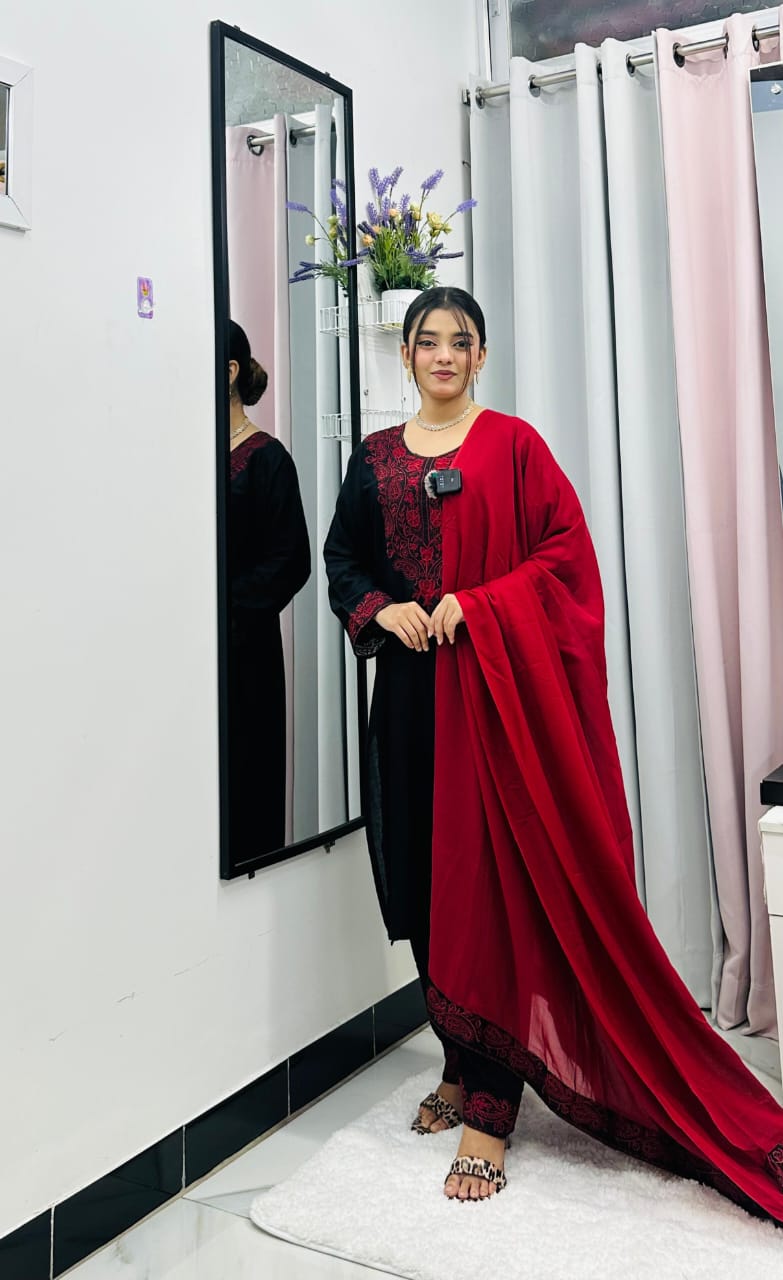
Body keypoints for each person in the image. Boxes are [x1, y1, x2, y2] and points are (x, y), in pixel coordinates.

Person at [324, 286, 783, 1217]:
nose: (443, 355)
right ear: (405, 356)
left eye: (459, 341)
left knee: (491, 892)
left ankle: (490, 1111)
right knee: (422, 881)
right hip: (408, 704)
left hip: (494, 708)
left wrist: (478, 606)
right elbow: (343, 563)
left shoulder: (514, 447)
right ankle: (457, 1063)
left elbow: (566, 559)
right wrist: (383, 609)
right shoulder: (371, 459)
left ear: (480, 356)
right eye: (426, 341)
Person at [227, 320, 310, 862]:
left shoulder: (267, 458)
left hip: (245, 651)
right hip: (188, 650)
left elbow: (291, 560)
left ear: (230, 371)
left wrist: (227, 608)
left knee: (246, 784)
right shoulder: (183, 458)